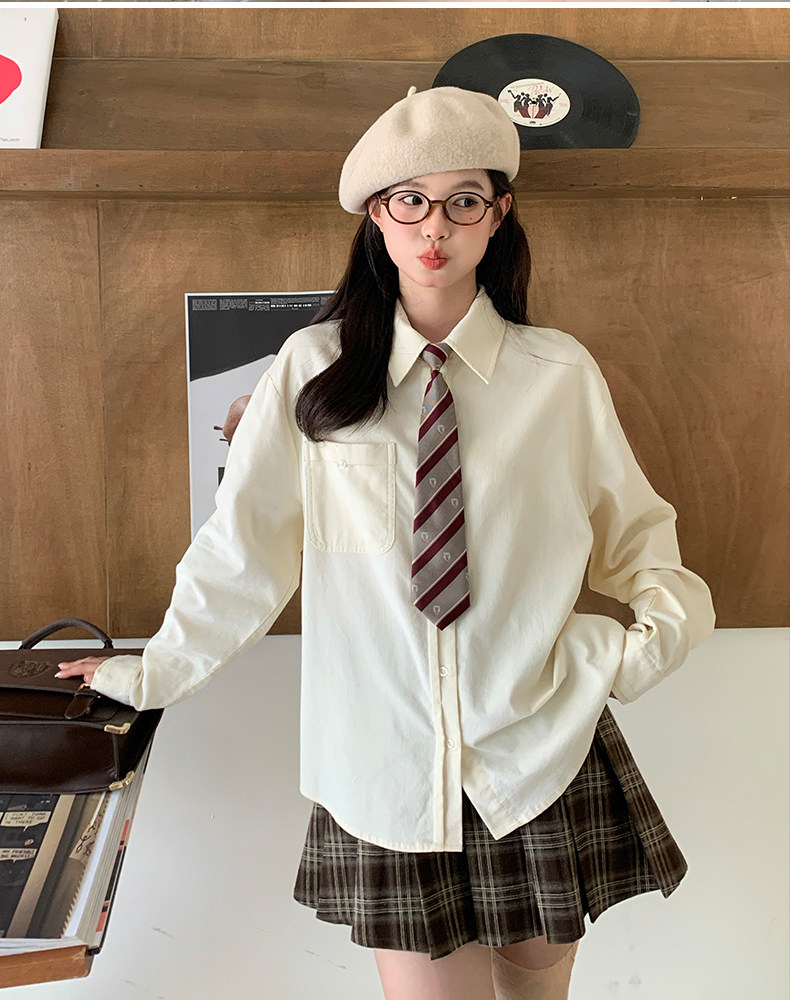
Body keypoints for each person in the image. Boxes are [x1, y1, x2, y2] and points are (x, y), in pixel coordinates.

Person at [56, 86, 716, 999]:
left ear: (500, 215)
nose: (433, 226)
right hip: (386, 766)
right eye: (409, 200)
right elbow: (243, 550)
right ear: (376, 215)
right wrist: (152, 673)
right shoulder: (312, 370)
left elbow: (642, 540)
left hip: (539, 752)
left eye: (463, 201)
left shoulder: (558, 374)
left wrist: (632, 657)